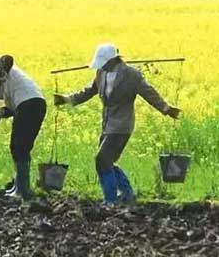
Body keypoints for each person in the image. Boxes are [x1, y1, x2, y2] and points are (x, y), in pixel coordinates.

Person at [54, 43, 181, 204]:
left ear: (113, 60)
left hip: (122, 124)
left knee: (101, 159)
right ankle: (127, 194)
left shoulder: (131, 75)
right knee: (106, 161)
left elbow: (149, 93)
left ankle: (111, 200)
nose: (102, 66)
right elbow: (89, 91)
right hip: (107, 123)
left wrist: (166, 108)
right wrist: (67, 99)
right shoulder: (101, 73)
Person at [0, 53, 46, 200]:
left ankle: (22, 190)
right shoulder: (9, 82)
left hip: (28, 104)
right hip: (36, 104)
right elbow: (13, 107)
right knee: (20, 147)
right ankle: (19, 187)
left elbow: (6, 58)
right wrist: (0, 113)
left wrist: (0, 71)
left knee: (18, 146)